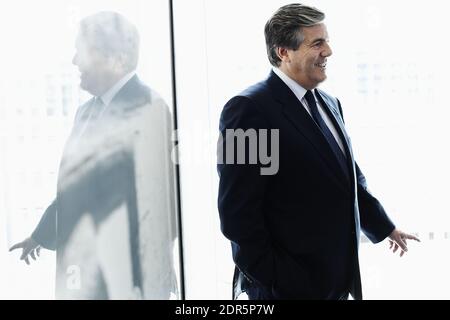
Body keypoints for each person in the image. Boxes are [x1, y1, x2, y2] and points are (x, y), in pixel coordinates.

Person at [217, 3, 419, 300]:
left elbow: (347, 180)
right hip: (286, 290)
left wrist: (385, 227)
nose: (329, 51)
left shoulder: (329, 103)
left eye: (327, 40)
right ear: (283, 52)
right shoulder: (249, 110)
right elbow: (238, 215)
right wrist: (278, 281)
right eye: (317, 43)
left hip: (335, 284)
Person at [9, 11, 177, 299]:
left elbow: (161, 206)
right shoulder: (85, 112)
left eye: (83, 52)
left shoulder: (150, 108)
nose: (75, 61)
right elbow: (76, 188)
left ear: (117, 58)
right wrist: (41, 235)